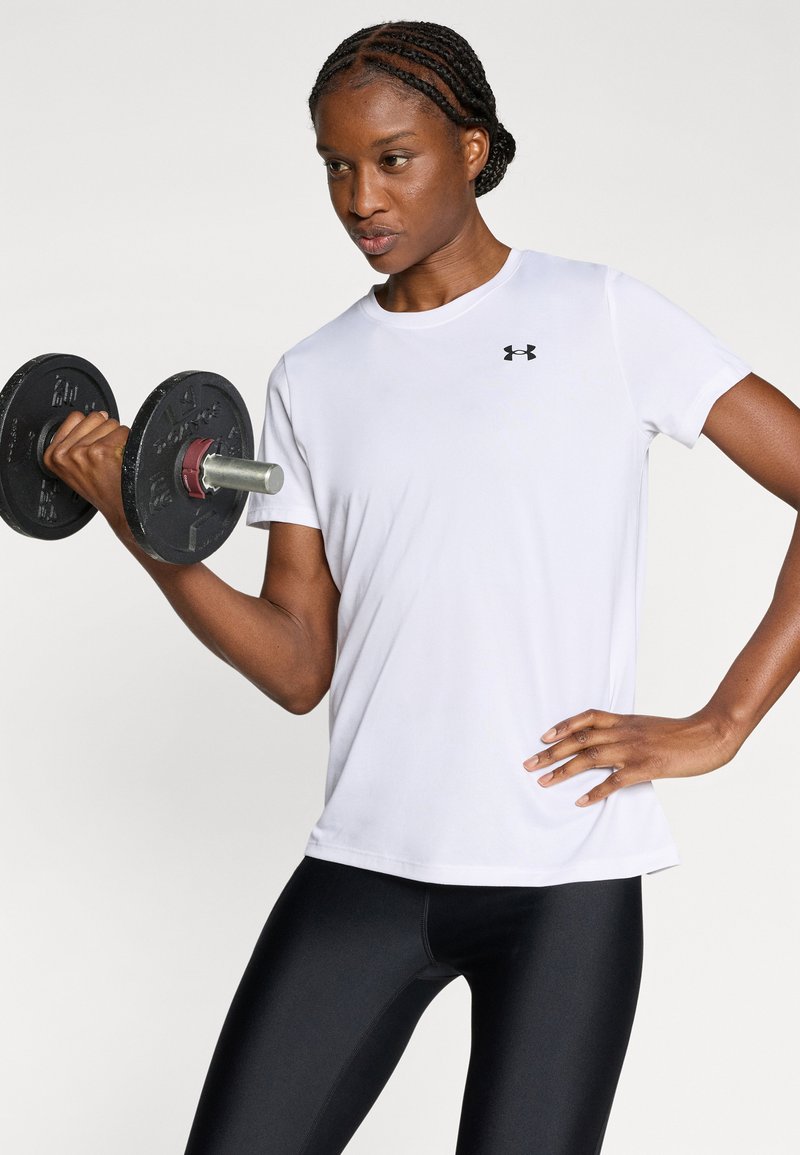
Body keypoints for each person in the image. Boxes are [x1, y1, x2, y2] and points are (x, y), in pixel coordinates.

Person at [42, 19, 800, 1155]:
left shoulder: (598, 313)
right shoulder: (312, 376)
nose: (361, 199)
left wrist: (723, 721)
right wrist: (141, 524)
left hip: (563, 880)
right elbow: (299, 666)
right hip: (366, 867)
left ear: (471, 150)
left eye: (392, 158)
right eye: (335, 166)